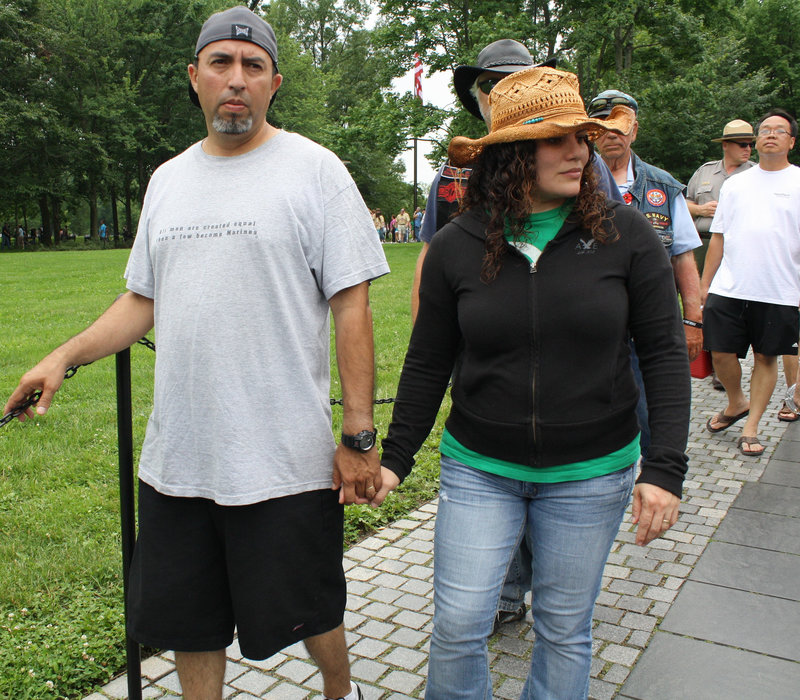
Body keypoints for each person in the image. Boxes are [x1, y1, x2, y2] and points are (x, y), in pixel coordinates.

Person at [3, 6, 389, 699]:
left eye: (252, 66)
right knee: (191, 623)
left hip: (284, 460)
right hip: (179, 460)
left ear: (275, 82)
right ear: (195, 76)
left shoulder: (315, 172)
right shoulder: (168, 181)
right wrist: (63, 357)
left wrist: (359, 434)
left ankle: (342, 692)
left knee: (311, 607)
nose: (235, 80)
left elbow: (351, 305)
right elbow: (141, 301)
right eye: (221, 63)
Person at [377, 66, 690, 699]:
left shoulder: (626, 235)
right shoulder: (457, 246)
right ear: (513, 155)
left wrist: (664, 470)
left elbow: (663, 354)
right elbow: (427, 360)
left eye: (582, 136)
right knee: (460, 623)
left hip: (592, 473)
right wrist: (394, 458)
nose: (579, 151)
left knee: (563, 629)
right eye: (558, 139)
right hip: (479, 468)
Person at [412, 40, 625, 631]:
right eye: (487, 83)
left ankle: (533, 580)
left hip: (581, 402)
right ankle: (507, 591)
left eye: (510, 78)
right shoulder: (454, 174)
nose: (575, 150)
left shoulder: (585, 168)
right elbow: (435, 257)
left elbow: (599, 263)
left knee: (564, 623)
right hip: (487, 375)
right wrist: (439, 330)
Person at [588, 89, 702, 455]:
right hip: (590, 328)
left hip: (648, 327)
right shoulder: (569, 182)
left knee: (654, 417)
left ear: (635, 131)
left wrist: (693, 320)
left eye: (621, 125)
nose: (612, 133)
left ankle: (655, 486)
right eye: (603, 124)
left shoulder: (664, 186)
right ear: (590, 131)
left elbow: (683, 256)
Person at [701, 108, 800, 456]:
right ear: (756, 141)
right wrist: (704, 284)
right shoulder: (737, 185)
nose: (770, 134)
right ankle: (735, 401)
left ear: (791, 140)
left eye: (779, 130)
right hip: (729, 286)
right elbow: (719, 237)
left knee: (766, 358)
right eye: (764, 130)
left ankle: (752, 425)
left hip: (779, 289)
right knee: (720, 351)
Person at [686, 119, 756, 274]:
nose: (748, 149)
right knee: (697, 292)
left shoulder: (755, 173)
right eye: (742, 145)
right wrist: (700, 210)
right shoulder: (705, 171)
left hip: (738, 245)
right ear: (725, 145)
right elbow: (684, 204)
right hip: (702, 243)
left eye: (751, 145)